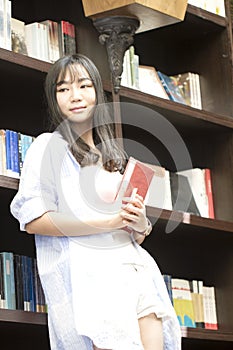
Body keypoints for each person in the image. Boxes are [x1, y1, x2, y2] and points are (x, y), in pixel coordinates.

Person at [10, 54, 181, 350]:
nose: (74, 96)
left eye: (84, 86)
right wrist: (109, 221)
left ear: (96, 93)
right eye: (63, 89)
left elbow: (133, 234)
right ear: (54, 99)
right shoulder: (47, 147)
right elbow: (34, 219)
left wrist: (140, 224)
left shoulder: (113, 158)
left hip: (136, 271)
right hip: (93, 279)